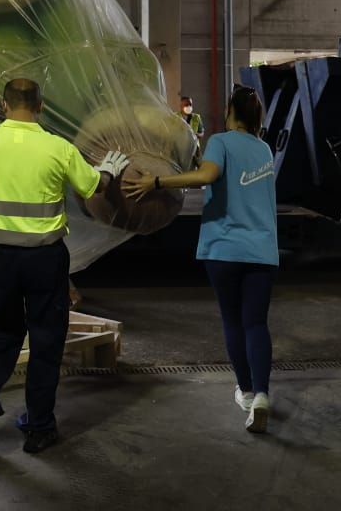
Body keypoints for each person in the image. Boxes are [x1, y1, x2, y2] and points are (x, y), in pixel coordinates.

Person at [0, 78, 129, 454]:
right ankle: (38, 428)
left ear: (3, 105)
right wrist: (110, 172)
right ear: (41, 107)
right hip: (44, 259)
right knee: (46, 340)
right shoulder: (58, 149)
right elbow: (94, 187)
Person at [125, 84, 279, 434]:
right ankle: (263, 396)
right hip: (262, 250)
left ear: (230, 113)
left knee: (232, 321)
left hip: (225, 248)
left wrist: (158, 181)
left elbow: (209, 175)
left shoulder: (222, 142)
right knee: (256, 323)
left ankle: (245, 390)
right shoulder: (265, 149)